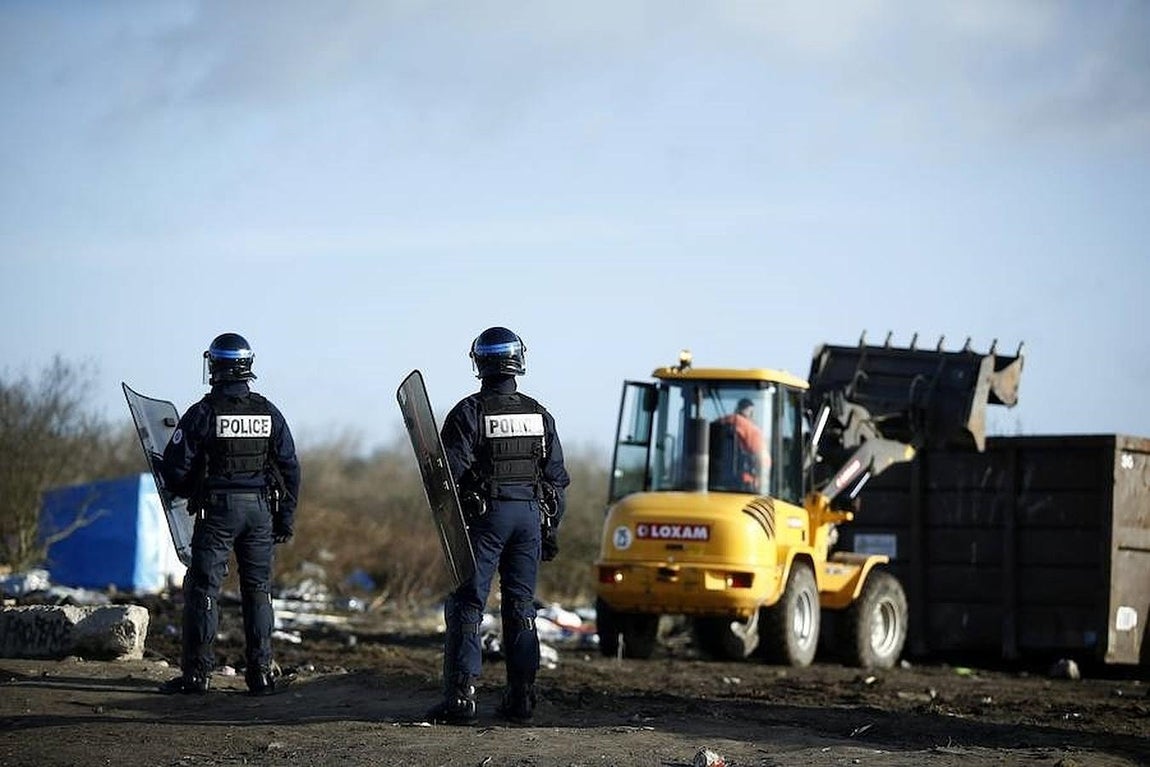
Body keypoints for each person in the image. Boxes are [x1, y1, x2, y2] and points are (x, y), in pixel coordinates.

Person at [429, 326, 570, 726]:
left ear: (479, 362)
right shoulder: (539, 414)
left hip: (486, 519)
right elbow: (557, 480)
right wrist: (550, 532)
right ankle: (522, 698)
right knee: (521, 607)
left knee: (468, 603)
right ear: (518, 360)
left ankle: (461, 698)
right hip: (529, 519)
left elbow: (447, 476)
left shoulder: (468, 412)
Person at [155, 332, 301, 696]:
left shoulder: (203, 412)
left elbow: (176, 469)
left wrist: (183, 487)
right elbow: (290, 468)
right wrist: (285, 519)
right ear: (247, 366)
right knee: (258, 591)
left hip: (218, 511)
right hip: (260, 513)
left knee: (203, 589)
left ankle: (197, 676)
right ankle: (261, 675)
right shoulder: (268, 411)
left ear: (214, 366)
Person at [712, 397, 766, 492]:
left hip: (713, 482)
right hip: (743, 485)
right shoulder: (751, 429)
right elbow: (763, 460)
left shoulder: (717, 423)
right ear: (750, 411)